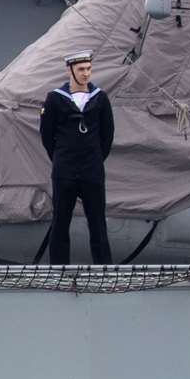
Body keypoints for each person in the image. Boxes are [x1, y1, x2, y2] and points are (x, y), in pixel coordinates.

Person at [39, 51, 115, 265]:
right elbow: (47, 135)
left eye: (89, 69)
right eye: (81, 69)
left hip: (92, 168)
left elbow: (107, 134)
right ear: (69, 70)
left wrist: (96, 158)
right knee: (61, 221)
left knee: (98, 222)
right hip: (65, 169)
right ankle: (59, 267)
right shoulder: (54, 99)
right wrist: (61, 157)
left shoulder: (100, 97)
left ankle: (104, 268)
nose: (86, 74)